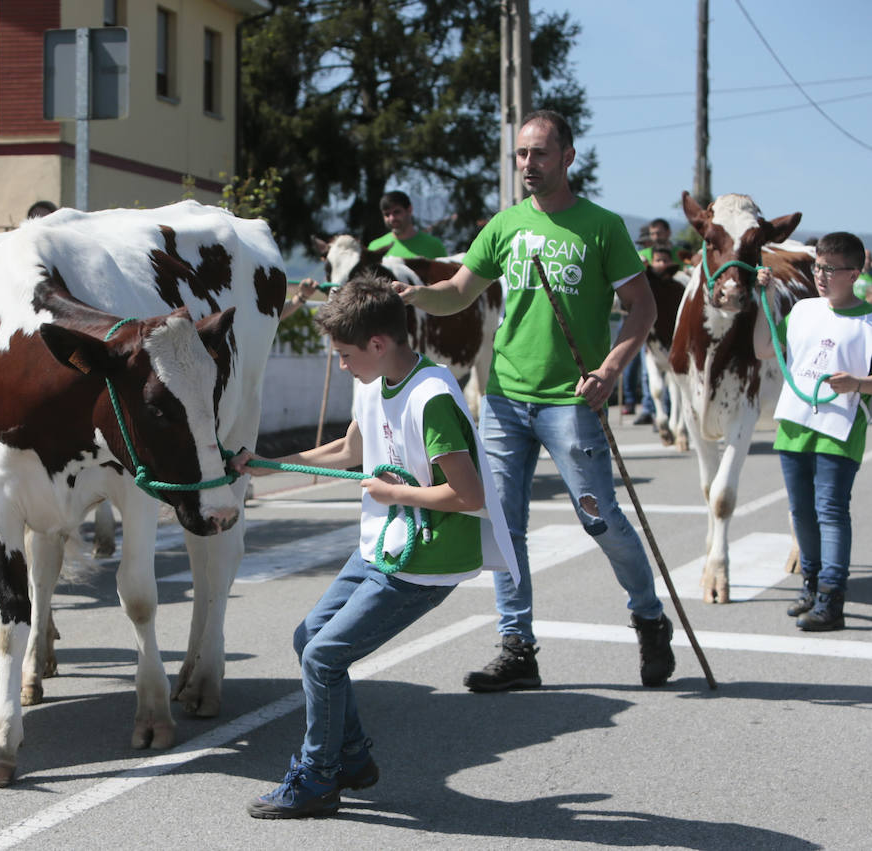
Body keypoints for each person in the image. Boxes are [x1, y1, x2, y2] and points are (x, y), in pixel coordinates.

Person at [396, 109, 675, 691]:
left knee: (599, 518)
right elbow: (456, 293)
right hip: (503, 401)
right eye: (521, 154)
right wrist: (416, 295)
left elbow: (642, 308)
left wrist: (609, 371)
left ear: (567, 157)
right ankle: (517, 646)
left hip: (573, 402)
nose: (528, 164)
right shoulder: (505, 226)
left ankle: (649, 617)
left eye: (540, 153)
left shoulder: (602, 227)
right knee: (502, 526)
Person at [229, 274, 518, 819]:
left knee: (322, 657)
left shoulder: (431, 397)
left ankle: (317, 779)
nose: (339, 365)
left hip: (424, 560)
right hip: (384, 544)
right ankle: (353, 758)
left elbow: (468, 492)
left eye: (343, 354)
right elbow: (349, 449)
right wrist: (264, 463)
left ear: (378, 345)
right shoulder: (372, 380)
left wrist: (395, 492)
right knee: (309, 637)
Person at [753, 232, 872, 631]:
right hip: (794, 423)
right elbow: (764, 348)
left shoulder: (869, 321)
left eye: (831, 269)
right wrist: (766, 300)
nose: (821, 275)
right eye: (817, 266)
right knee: (801, 511)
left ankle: (831, 596)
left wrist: (858, 382)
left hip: (839, 428)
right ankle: (811, 585)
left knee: (831, 511)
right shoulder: (803, 309)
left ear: (855, 273)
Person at [628, 218, 681, 426]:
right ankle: (649, 408)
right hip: (648, 323)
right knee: (645, 367)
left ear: (668, 233)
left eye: (659, 232)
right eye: (653, 233)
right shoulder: (642, 258)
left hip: (672, 320)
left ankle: (667, 411)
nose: (656, 236)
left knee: (674, 373)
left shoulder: (678, 254)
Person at [367, 190, 446, 260]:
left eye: (396, 212)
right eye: (387, 214)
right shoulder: (375, 248)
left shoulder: (434, 246)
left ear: (409, 210)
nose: (392, 218)